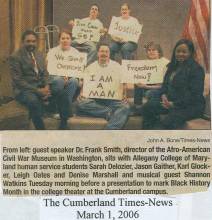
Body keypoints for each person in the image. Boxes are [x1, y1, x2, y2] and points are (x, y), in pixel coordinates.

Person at [9, 30, 71, 129]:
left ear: (36, 42)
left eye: (33, 41)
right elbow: (18, 81)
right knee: (33, 101)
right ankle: (41, 130)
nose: (31, 44)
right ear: (22, 42)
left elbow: (45, 73)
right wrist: (38, 91)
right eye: (28, 41)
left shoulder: (39, 54)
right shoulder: (15, 57)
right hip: (25, 90)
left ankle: (64, 124)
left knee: (62, 93)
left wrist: (46, 86)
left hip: (41, 87)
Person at [141, 39, 205, 130]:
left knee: (169, 121)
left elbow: (194, 95)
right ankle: (147, 137)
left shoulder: (196, 69)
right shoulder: (172, 66)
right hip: (170, 102)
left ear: (190, 53)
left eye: (184, 52)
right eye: (178, 51)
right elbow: (165, 86)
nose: (180, 54)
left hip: (190, 106)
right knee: (147, 107)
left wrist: (174, 104)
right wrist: (163, 95)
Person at [77, 43, 130, 129]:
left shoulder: (117, 66)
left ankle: (109, 130)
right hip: (95, 99)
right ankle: (108, 113)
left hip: (112, 99)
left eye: (106, 51)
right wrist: (81, 92)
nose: (104, 54)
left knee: (125, 107)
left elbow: (123, 83)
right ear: (98, 53)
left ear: (109, 54)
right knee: (81, 103)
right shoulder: (90, 67)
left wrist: (124, 94)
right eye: (102, 51)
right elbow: (85, 82)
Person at [46, 30, 80, 118]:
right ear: (59, 40)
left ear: (71, 40)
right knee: (58, 80)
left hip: (70, 77)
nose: (65, 40)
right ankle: (59, 110)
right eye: (63, 38)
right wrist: (60, 76)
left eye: (67, 38)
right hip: (55, 77)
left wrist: (68, 77)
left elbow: (78, 70)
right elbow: (49, 70)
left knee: (74, 81)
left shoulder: (76, 53)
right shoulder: (52, 52)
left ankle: (65, 109)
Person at [134, 42, 169, 108]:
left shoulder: (165, 63)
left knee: (150, 93)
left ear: (159, 52)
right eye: (149, 50)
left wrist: (146, 86)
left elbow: (163, 86)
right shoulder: (147, 63)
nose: (151, 52)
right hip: (150, 86)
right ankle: (138, 106)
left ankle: (156, 107)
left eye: (153, 50)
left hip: (163, 89)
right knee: (137, 83)